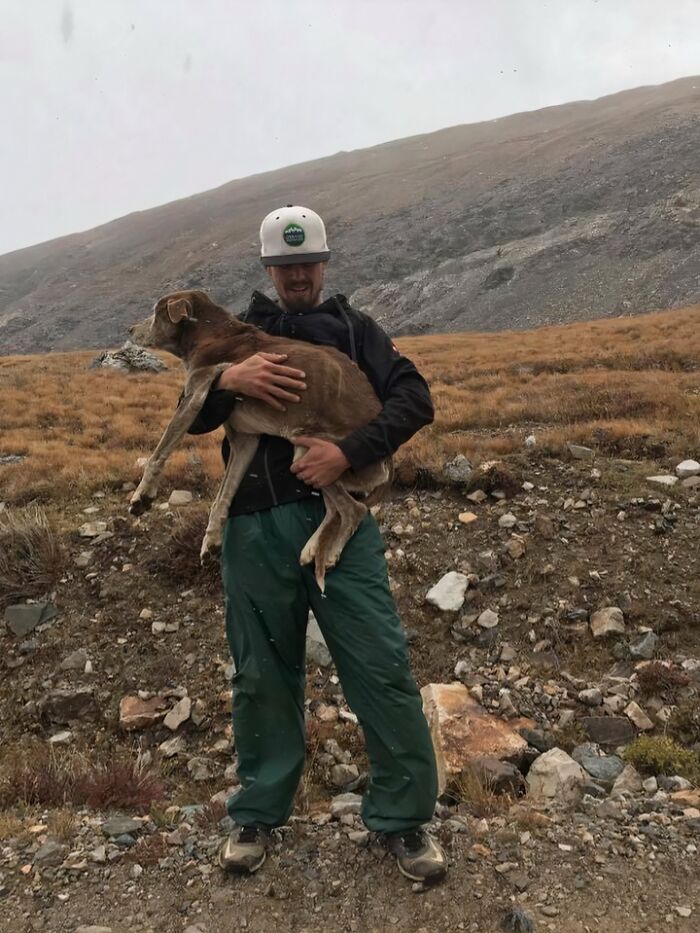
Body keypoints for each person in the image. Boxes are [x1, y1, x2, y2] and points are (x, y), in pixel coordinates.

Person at [187, 205, 447, 883]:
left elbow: (414, 398)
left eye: (307, 263)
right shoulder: (237, 337)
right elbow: (193, 415)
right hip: (253, 523)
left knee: (380, 662)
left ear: (323, 263)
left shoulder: (357, 331)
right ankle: (258, 814)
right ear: (268, 269)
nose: (297, 275)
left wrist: (347, 452)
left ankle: (403, 817)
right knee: (259, 675)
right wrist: (225, 382)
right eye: (284, 265)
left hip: (342, 522)